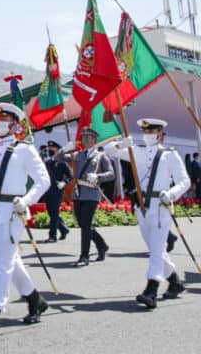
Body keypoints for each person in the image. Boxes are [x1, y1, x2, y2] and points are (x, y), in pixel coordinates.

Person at [0, 103, 50, 338]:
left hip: (13, 211)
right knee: (10, 259)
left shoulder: (25, 149)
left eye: (3, 118)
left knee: (2, 263)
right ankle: (35, 299)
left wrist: (27, 199)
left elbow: (43, 180)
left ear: (15, 123)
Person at [105, 118, 190, 309]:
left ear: (160, 134)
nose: (148, 135)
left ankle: (151, 290)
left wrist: (172, 193)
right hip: (142, 206)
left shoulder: (170, 155)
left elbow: (184, 181)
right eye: (146, 131)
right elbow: (109, 150)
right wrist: (122, 144)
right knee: (154, 248)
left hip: (161, 205)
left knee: (158, 247)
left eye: (152, 132)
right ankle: (175, 282)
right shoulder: (137, 151)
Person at [58, 128, 113, 266]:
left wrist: (98, 177)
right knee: (83, 224)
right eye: (84, 137)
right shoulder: (78, 155)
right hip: (78, 194)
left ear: (94, 139)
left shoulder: (101, 156)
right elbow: (58, 158)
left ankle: (84, 256)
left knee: (86, 225)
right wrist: (64, 149)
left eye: (88, 137)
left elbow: (111, 174)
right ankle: (101, 245)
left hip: (91, 194)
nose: (85, 139)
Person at [42, 140, 72, 244]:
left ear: (57, 150)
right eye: (49, 148)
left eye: (52, 148)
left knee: (54, 213)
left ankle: (52, 236)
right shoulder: (48, 162)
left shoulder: (62, 162)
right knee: (51, 213)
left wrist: (64, 182)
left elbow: (70, 175)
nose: (50, 149)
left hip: (58, 191)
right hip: (48, 191)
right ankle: (64, 229)